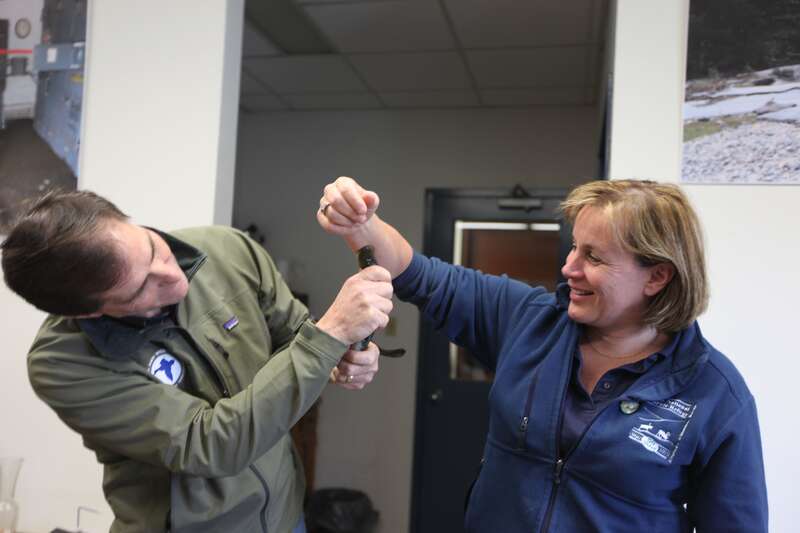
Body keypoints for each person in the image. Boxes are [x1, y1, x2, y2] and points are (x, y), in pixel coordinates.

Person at [317, 177, 768, 532]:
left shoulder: (713, 392)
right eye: (574, 246)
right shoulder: (529, 320)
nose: (569, 267)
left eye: (594, 256)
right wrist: (358, 222)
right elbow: (419, 273)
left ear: (657, 277)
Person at [1, 190, 394, 533]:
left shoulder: (227, 249)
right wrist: (328, 336)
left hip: (286, 515)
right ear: (89, 312)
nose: (175, 278)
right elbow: (212, 444)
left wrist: (345, 355)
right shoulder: (62, 365)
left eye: (154, 247)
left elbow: (296, 336)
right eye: (142, 287)